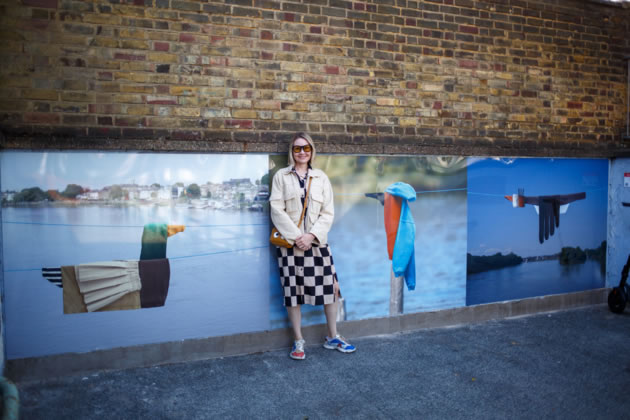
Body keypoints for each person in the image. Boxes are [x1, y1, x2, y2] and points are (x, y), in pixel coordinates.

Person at [270, 132, 356, 360]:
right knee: (293, 293)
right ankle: (298, 341)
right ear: (292, 151)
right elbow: (276, 209)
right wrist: (298, 237)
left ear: (312, 150)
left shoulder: (321, 178)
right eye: (297, 148)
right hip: (290, 245)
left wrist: (311, 236)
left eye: (306, 148)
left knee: (330, 290)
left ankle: (333, 336)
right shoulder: (281, 176)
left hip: (317, 243)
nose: (302, 152)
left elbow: (328, 213)